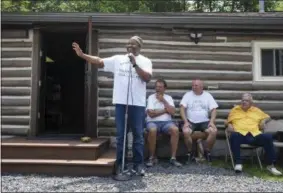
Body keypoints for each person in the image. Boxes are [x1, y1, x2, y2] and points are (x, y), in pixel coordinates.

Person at [72, 36, 152, 178]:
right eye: (128, 43)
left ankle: (138, 165)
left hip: (138, 105)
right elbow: (99, 61)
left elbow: (147, 78)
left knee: (138, 136)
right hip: (121, 103)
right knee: (121, 136)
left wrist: (135, 64)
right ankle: (121, 166)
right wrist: (82, 55)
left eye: (133, 44)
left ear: (139, 46)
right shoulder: (118, 59)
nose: (130, 46)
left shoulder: (145, 61)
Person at [227, 93, 282, 175]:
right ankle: (238, 163)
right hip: (240, 135)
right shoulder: (235, 110)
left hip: (254, 135)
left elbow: (268, 117)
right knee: (234, 136)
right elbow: (228, 120)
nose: (244, 102)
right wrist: (229, 125)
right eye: (243, 100)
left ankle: (271, 165)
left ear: (251, 103)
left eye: (246, 101)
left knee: (268, 137)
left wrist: (263, 121)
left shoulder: (256, 110)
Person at [145, 79, 182, 167]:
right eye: (156, 87)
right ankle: (152, 157)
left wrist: (164, 101)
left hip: (167, 122)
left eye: (160, 87)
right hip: (152, 122)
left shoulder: (168, 98)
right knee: (153, 130)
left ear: (165, 88)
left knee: (175, 130)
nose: (158, 89)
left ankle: (173, 158)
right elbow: (151, 114)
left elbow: (173, 112)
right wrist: (166, 110)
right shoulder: (151, 97)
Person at [180, 79, 218, 163]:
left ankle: (207, 151)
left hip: (204, 122)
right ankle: (190, 152)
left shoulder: (207, 95)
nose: (193, 87)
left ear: (201, 86)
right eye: (193, 85)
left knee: (213, 131)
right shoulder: (188, 95)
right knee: (186, 132)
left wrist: (211, 122)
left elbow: (214, 110)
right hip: (191, 121)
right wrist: (185, 122)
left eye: (196, 85)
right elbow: (182, 109)